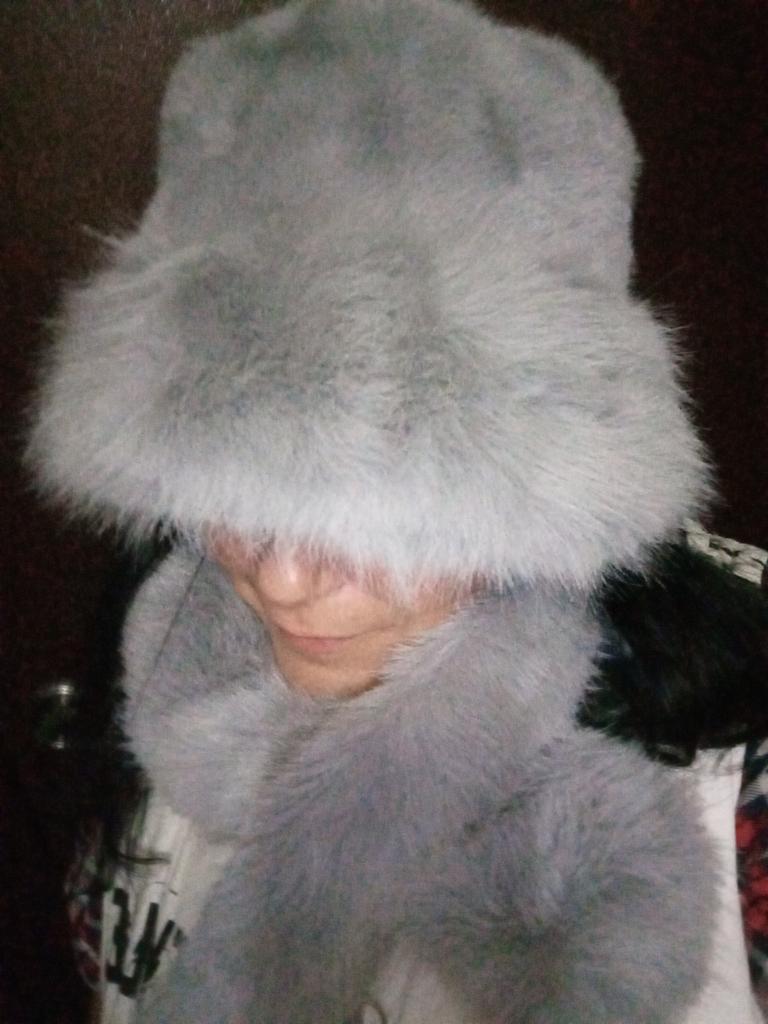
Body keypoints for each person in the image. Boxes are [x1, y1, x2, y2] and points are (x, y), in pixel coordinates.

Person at [27, 0, 768, 1021]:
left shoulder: (738, 781)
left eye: (381, 511)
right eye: (242, 488)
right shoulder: (162, 659)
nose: (283, 580)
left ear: (533, 492)